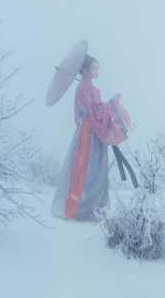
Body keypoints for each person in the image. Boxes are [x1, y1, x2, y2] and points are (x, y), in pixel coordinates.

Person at [51, 54, 129, 221]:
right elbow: (94, 112)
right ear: (85, 70)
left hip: (92, 129)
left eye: (97, 67)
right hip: (89, 132)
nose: (96, 70)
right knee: (88, 170)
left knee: (94, 169)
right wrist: (112, 103)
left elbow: (97, 110)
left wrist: (109, 105)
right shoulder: (85, 88)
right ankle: (82, 210)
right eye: (94, 67)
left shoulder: (89, 87)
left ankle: (92, 208)